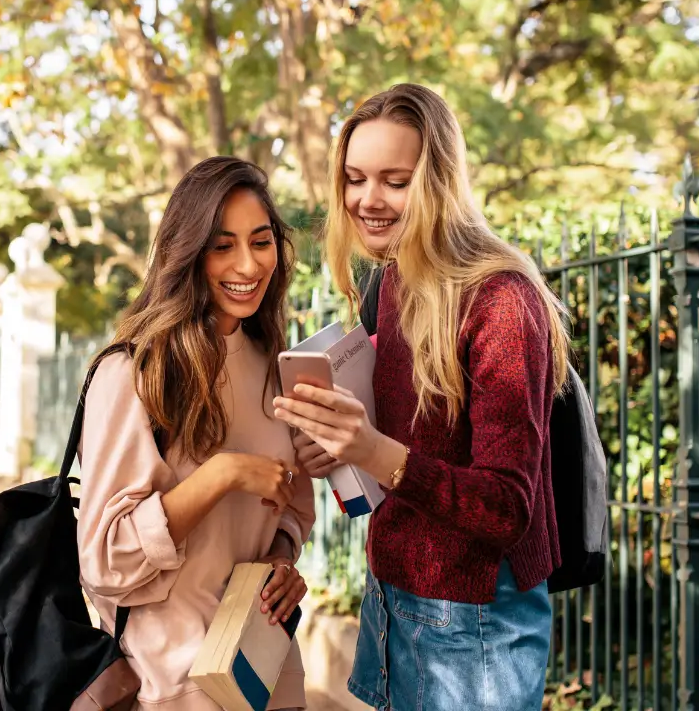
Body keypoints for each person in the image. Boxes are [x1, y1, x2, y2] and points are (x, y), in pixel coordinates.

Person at [272, 83, 571, 710]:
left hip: (475, 624)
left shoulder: (501, 299)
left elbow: (506, 510)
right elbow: (404, 447)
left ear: (438, 181)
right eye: (354, 179)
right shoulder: (391, 281)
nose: (367, 200)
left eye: (394, 180)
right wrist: (338, 451)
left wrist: (372, 448)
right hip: (389, 596)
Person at [76, 156, 315, 710]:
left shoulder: (275, 367)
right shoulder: (135, 372)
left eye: (261, 242)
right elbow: (106, 561)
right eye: (222, 245)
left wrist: (283, 559)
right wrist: (223, 474)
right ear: (188, 253)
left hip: (267, 673)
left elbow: (293, 509)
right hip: (175, 686)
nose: (248, 264)